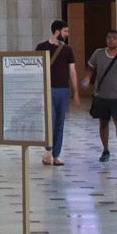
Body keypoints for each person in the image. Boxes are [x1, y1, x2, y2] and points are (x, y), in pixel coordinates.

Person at [86, 27, 117, 164]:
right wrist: (87, 78)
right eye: (108, 37)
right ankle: (105, 149)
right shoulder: (98, 54)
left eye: (114, 38)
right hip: (102, 95)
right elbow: (90, 67)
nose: (111, 40)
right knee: (103, 122)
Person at [37, 20, 74, 166]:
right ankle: (48, 151)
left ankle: (56, 154)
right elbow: (36, 68)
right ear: (57, 32)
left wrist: (75, 91)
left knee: (60, 122)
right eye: (65, 31)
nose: (67, 34)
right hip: (47, 89)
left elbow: (72, 71)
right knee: (49, 120)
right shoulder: (41, 47)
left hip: (63, 89)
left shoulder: (67, 50)